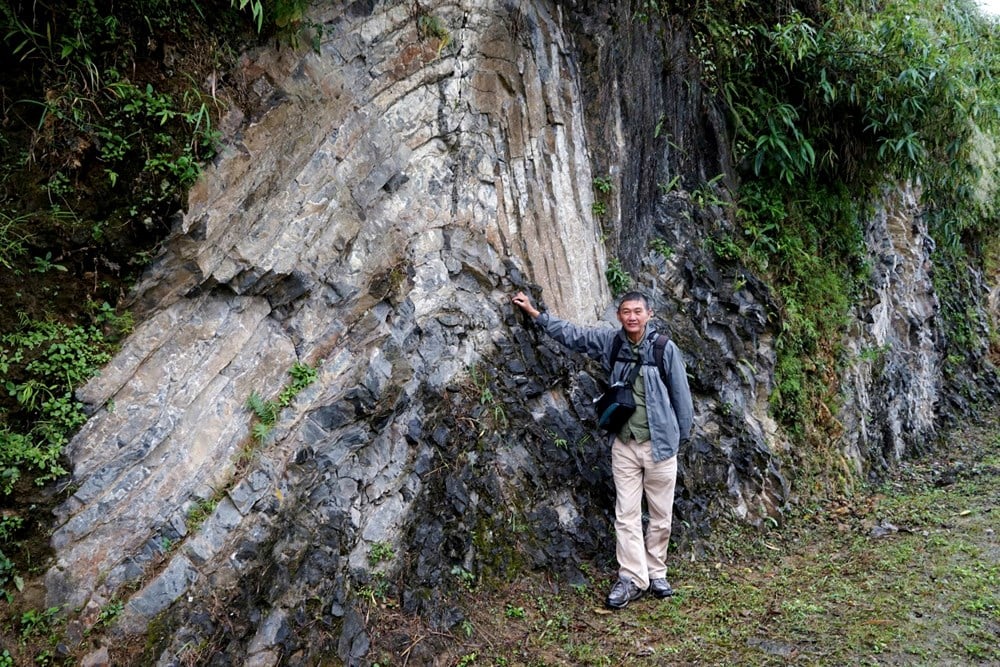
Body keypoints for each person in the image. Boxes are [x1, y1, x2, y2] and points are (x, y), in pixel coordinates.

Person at [511, 290, 693, 609]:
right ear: (619, 315)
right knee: (626, 514)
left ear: (649, 315)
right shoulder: (612, 342)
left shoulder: (665, 349)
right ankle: (633, 578)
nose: (632, 317)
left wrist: (679, 440)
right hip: (623, 444)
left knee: (662, 514)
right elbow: (575, 336)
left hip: (660, 445)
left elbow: (682, 398)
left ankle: (657, 571)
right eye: (625, 311)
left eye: (637, 311)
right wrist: (536, 315)